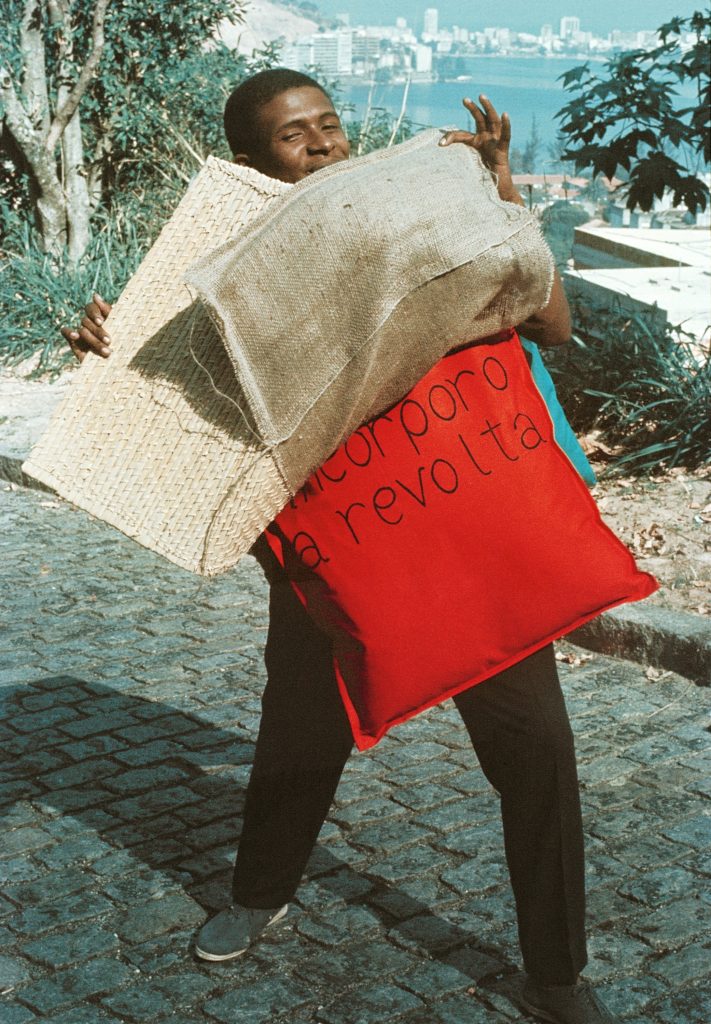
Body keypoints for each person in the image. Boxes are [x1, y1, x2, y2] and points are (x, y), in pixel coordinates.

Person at [62, 69, 620, 1024]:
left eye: (327, 124)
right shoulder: (222, 269)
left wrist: (500, 197)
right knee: (299, 729)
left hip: (472, 528)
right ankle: (260, 890)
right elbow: (163, 389)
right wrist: (107, 343)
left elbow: (553, 323)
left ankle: (555, 971)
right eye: (293, 136)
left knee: (535, 748)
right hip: (335, 540)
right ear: (250, 161)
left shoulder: (410, 220)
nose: (322, 143)